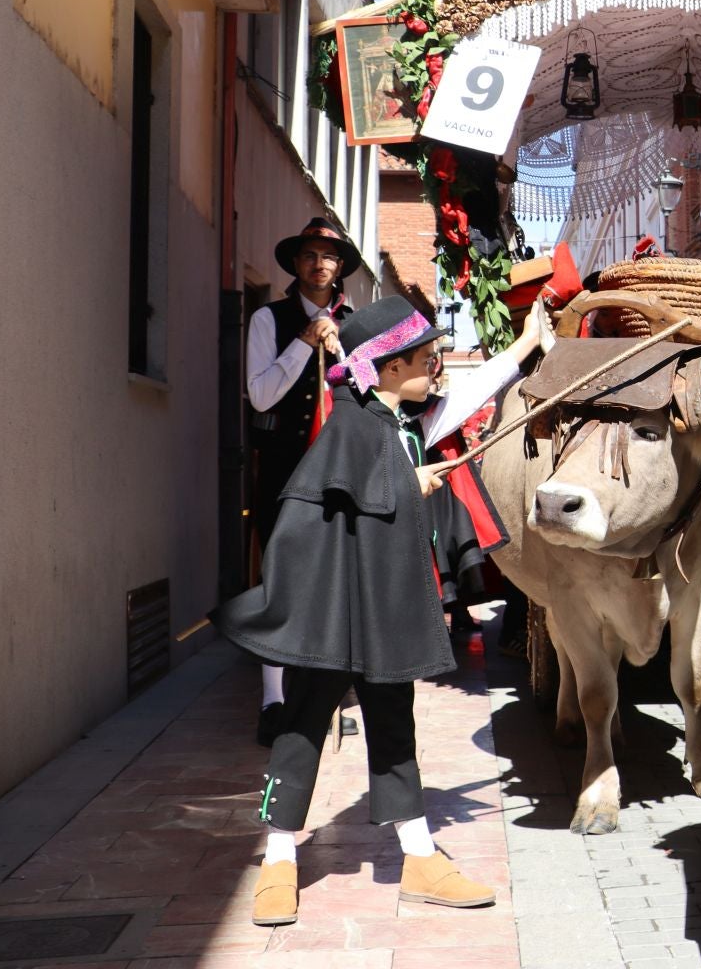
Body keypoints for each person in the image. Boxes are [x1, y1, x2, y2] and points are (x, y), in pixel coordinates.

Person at [216, 295, 548, 928]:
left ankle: (420, 856)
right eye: (428, 358)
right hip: (336, 616)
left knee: (395, 725)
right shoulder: (351, 422)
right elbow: (317, 504)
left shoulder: (401, 423)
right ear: (392, 367)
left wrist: (526, 346)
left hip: (384, 610)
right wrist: (407, 483)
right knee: (303, 724)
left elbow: (470, 395)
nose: (438, 367)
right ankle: (279, 858)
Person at [246, 217, 361, 746]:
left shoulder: (358, 320)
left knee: (339, 580)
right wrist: (303, 342)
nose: (319, 264)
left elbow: (367, 392)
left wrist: (339, 349)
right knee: (280, 579)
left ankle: (340, 691)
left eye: (329, 256)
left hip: (338, 470)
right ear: (296, 263)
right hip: (284, 467)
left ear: (341, 267)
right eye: (310, 254)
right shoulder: (268, 319)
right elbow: (262, 396)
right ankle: (273, 699)